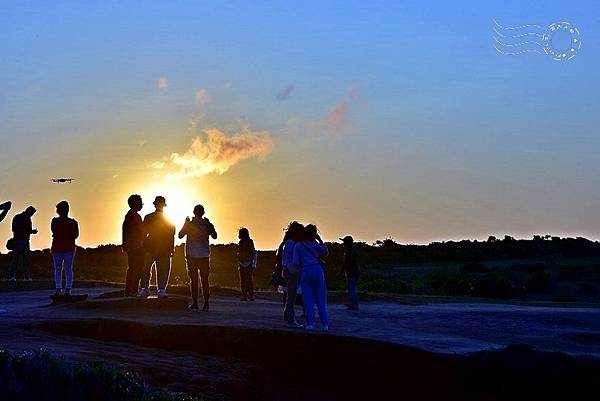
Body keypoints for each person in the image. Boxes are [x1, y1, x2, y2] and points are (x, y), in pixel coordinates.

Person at [178, 204, 217, 311]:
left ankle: (195, 303)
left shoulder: (189, 224)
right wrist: (210, 225)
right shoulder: (206, 224)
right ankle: (206, 304)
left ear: (194, 212)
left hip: (191, 255)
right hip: (204, 255)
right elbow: (215, 236)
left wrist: (185, 223)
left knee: (194, 280)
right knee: (205, 280)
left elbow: (180, 235)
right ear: (203, 212)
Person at [292, 224, 329, 332]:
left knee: (308, 299)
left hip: (306, 271)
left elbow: (295, 262)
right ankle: (325, 325)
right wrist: (320, 240)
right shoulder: (316, 244)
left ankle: (310, 324)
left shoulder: (298, 246)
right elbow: (326, 253)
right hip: (318, 270)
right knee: (321, 299)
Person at [140, 196, 175, 299]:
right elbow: (171, 235)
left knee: (146, 269)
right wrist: (172, 248)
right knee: (162, 270)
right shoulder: (169, 219)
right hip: (162, 248)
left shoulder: (148, 217)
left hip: (151, 247)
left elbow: (143, 233)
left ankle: (146, 289)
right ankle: (161, 290)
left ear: (155, 204)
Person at [51, 201, 79, 296]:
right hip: (68, 247)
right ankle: (67, 289)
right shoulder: (73, 222)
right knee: (68, 268)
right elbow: (76, 235)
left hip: (58, 247)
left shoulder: (54, 221)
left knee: (58, 268)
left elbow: (54, 231)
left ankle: (59, 289)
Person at [122, 194, 145, 297]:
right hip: (136, 245)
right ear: (136, 204)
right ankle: (133, 290)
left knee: (132, 267)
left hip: (130, 245)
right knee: (137, 267)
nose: (142, 205)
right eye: (141, 203)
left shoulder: (128, 215)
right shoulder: (135, 216)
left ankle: (129, 290)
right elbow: (141, 231)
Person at [282, 221, 304, 327]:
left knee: (289, 295)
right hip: (292, 271)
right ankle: (290, 319)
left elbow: (285, 258)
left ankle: (287, 316)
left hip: (287, 270)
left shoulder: (288, 242)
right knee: (291, 296)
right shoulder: (294, 244)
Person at [8, 206, 38, 281]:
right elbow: (15, 229)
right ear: (29, 211)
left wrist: (30, 231)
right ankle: (24, 277)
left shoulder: (18, 217)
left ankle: (14, 277)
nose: (31, 215)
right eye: (31, 213)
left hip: (20, 241)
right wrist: (30, 231)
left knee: (18, 260)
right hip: (21, 241)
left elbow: (14, 229)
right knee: (22, 261)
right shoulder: (23, 218)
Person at [340, 235, 360, 310]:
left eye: (344, 242)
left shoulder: (349, 251)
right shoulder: (352, 250)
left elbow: (346, 262)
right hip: (354, 271)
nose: (343, 244)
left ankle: (354, 304)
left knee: (351, 289)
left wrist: (341, 270)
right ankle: (352, 303)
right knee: (352, 288)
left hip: (352, 272)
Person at [237, 227, 257, 301]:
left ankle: (249, 295)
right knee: (245, 280)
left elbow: (254, 252)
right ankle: (245, 295)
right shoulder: (241, 242)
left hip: (248, 263)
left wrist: (254, 263)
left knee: (247, 280)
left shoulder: (249, 242)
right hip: (242, 262)